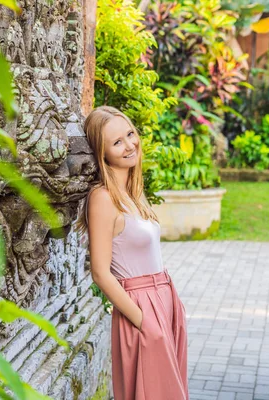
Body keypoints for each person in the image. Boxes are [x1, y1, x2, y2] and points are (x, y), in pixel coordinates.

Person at [78, 106, 188, 400]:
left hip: (164, 298)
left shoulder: (133, 191)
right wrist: (143, 320)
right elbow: (101, 273)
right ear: (102, 154)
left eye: (130, 134)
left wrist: (170, 306)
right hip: (139, 304)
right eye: (117, 142)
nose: (129, 145)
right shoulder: (102, 198)